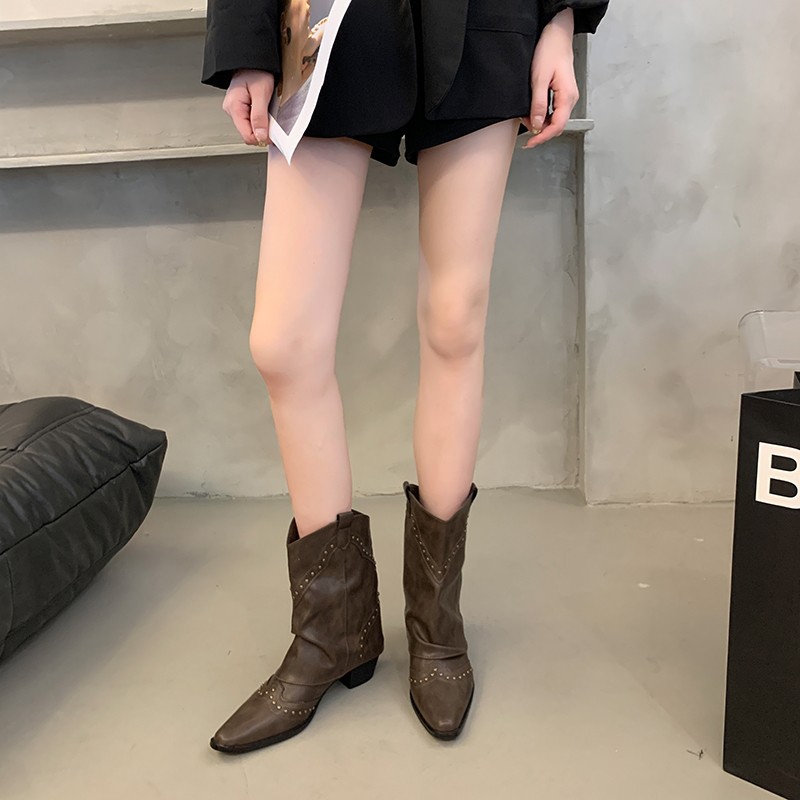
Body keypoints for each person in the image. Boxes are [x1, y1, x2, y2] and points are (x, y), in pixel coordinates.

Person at [200, 0, 609, 754]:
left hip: (482, 18)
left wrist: (561, 23)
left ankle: (436, 625)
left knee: (454, 321)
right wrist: (247, 42)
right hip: (329, 22)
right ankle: (333, 632)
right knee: (285, 343)